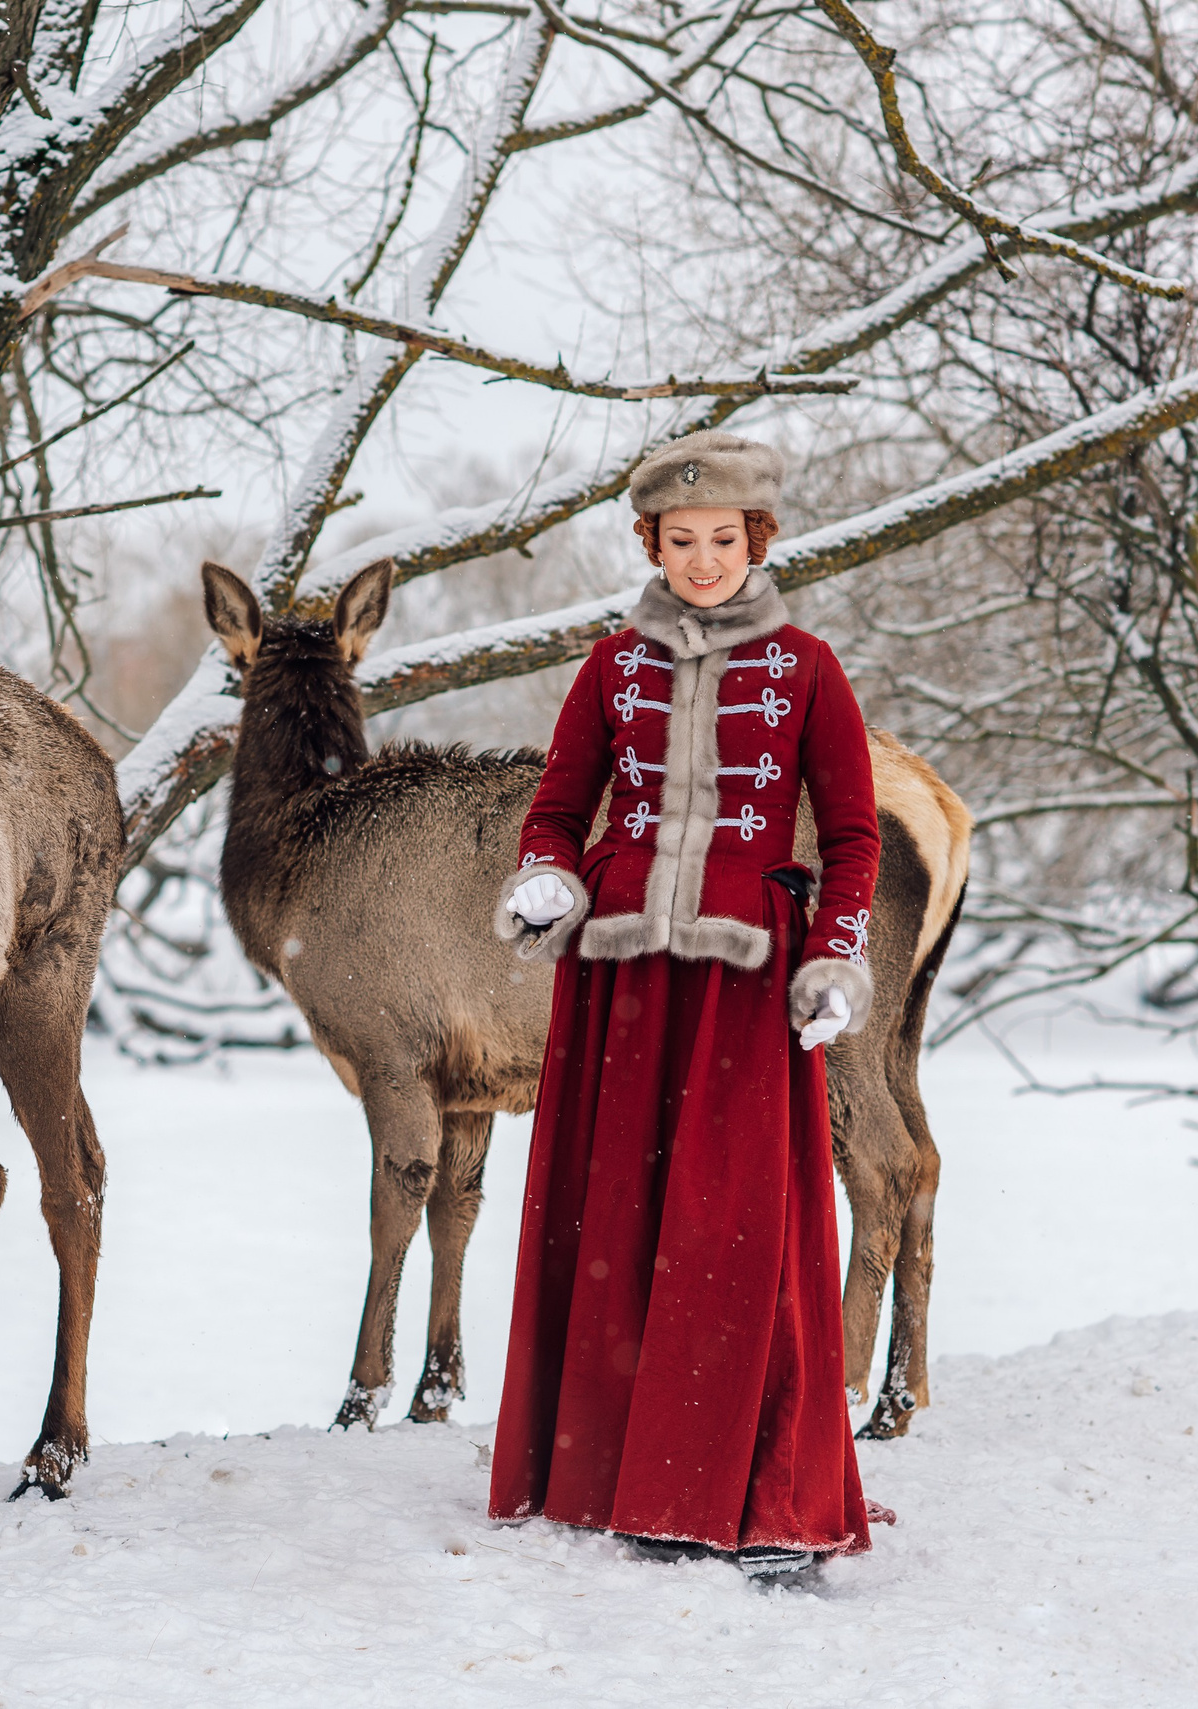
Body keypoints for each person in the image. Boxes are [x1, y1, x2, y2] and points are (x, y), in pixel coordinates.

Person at [486, 429, 882, 1578]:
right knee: (615, 1219)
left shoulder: (808, 666)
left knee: (736, 1228)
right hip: (619, 982)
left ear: (755, 542)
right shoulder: (610, 668)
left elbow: (852, 839)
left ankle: (756, 1492)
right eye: (679, 538)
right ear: (650, 543)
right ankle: (619, 1476)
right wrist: (548, 873)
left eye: (722, 539)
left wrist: (836, 958)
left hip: (749, 985)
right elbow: (558, 808)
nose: (701, 558)